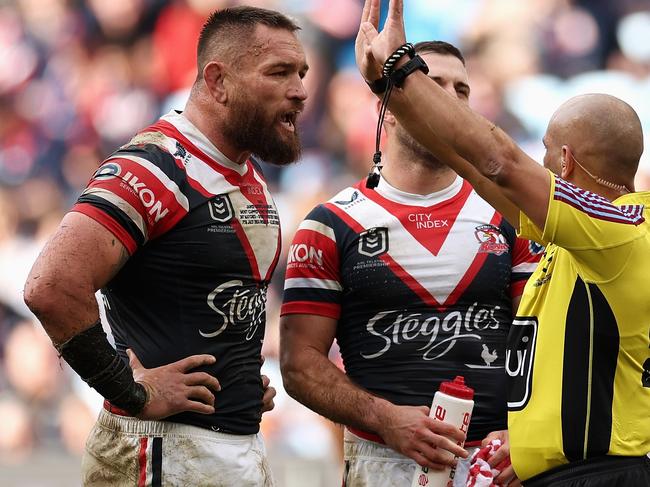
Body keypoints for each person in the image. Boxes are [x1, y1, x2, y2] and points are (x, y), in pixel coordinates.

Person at [354, 1, 650, 486]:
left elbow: (500, 164)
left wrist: (403, 68)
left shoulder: (616, 232)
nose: (541, 162)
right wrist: (388, 88)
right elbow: (472, 164)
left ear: (568, 163)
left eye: (547, 153)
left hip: (600, 476)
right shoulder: (584, 240)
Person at [23, 6, 308, 486]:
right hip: (160, 452)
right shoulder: (155, 167)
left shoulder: (246, 175)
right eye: (278, 73)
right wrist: (130, 389)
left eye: (301, 73)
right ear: (217, 81)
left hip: (228, 448)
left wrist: (238, 379)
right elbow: (50, 286)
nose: (299, 90)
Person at [279, 40, 541, 487]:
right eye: (431, 84)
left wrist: (532, 432)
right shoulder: (331, 223)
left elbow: (546, 341)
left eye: (461, 90)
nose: (448, 100)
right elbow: (299, 363)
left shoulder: (511, 218)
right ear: (390, 107)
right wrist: (385, 419)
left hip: (499, 465)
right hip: (380, 461)